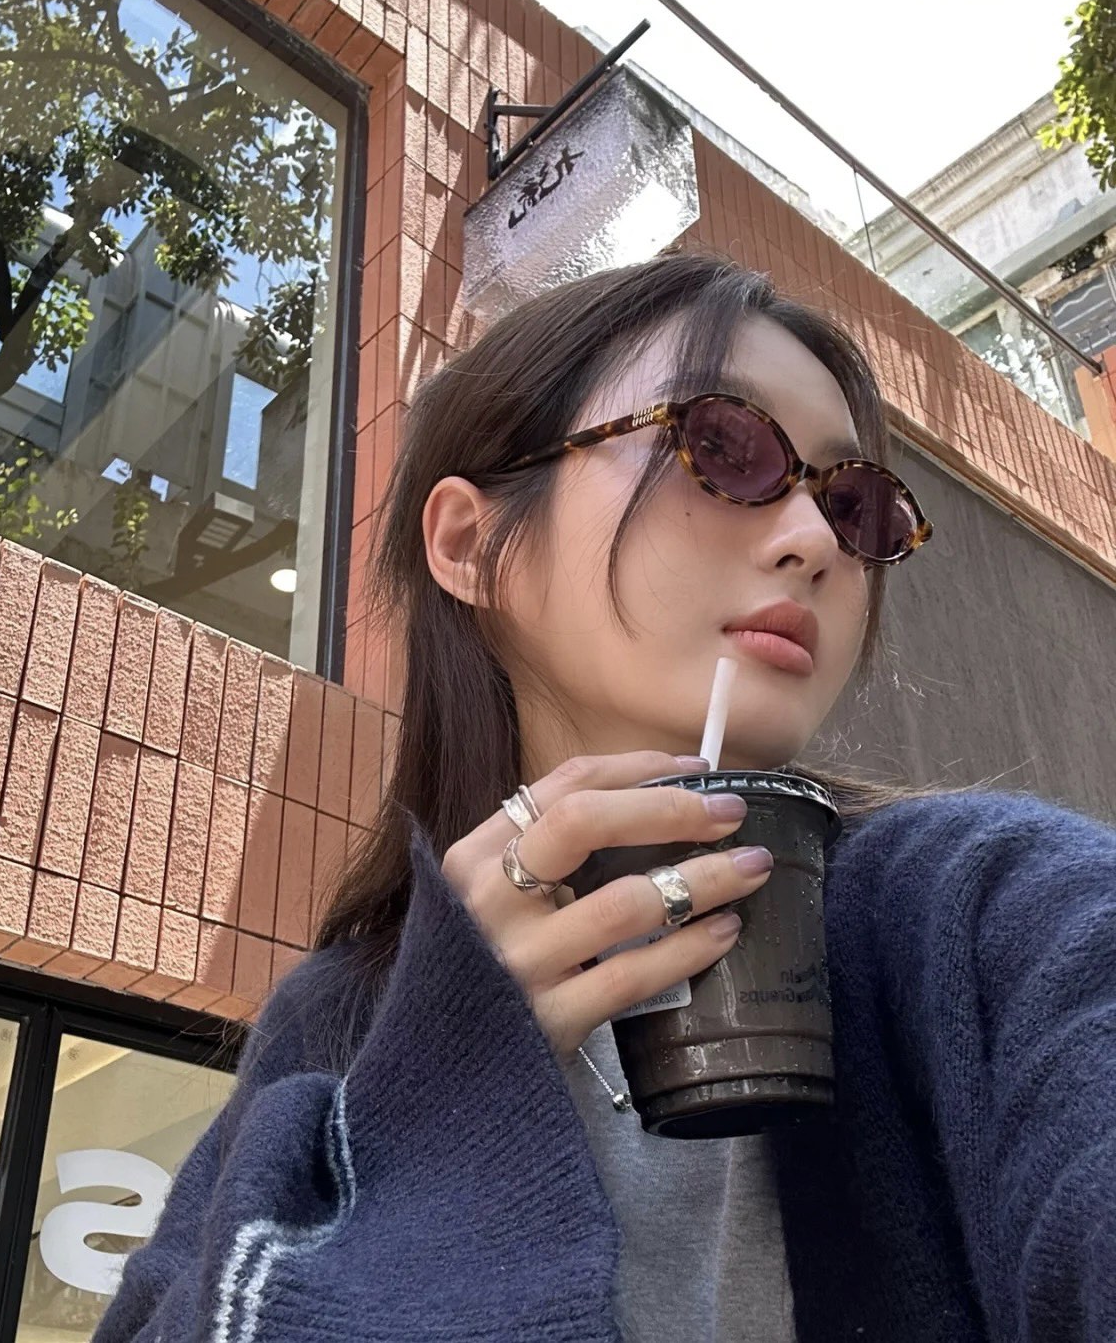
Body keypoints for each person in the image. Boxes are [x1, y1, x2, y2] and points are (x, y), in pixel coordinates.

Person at [96, 253, 1116, 1342]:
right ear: (471, 542)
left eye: (855, 506)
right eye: (722, 448)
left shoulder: (981, 913)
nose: (816, 542)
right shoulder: (336, 1025)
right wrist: (422, 1119)